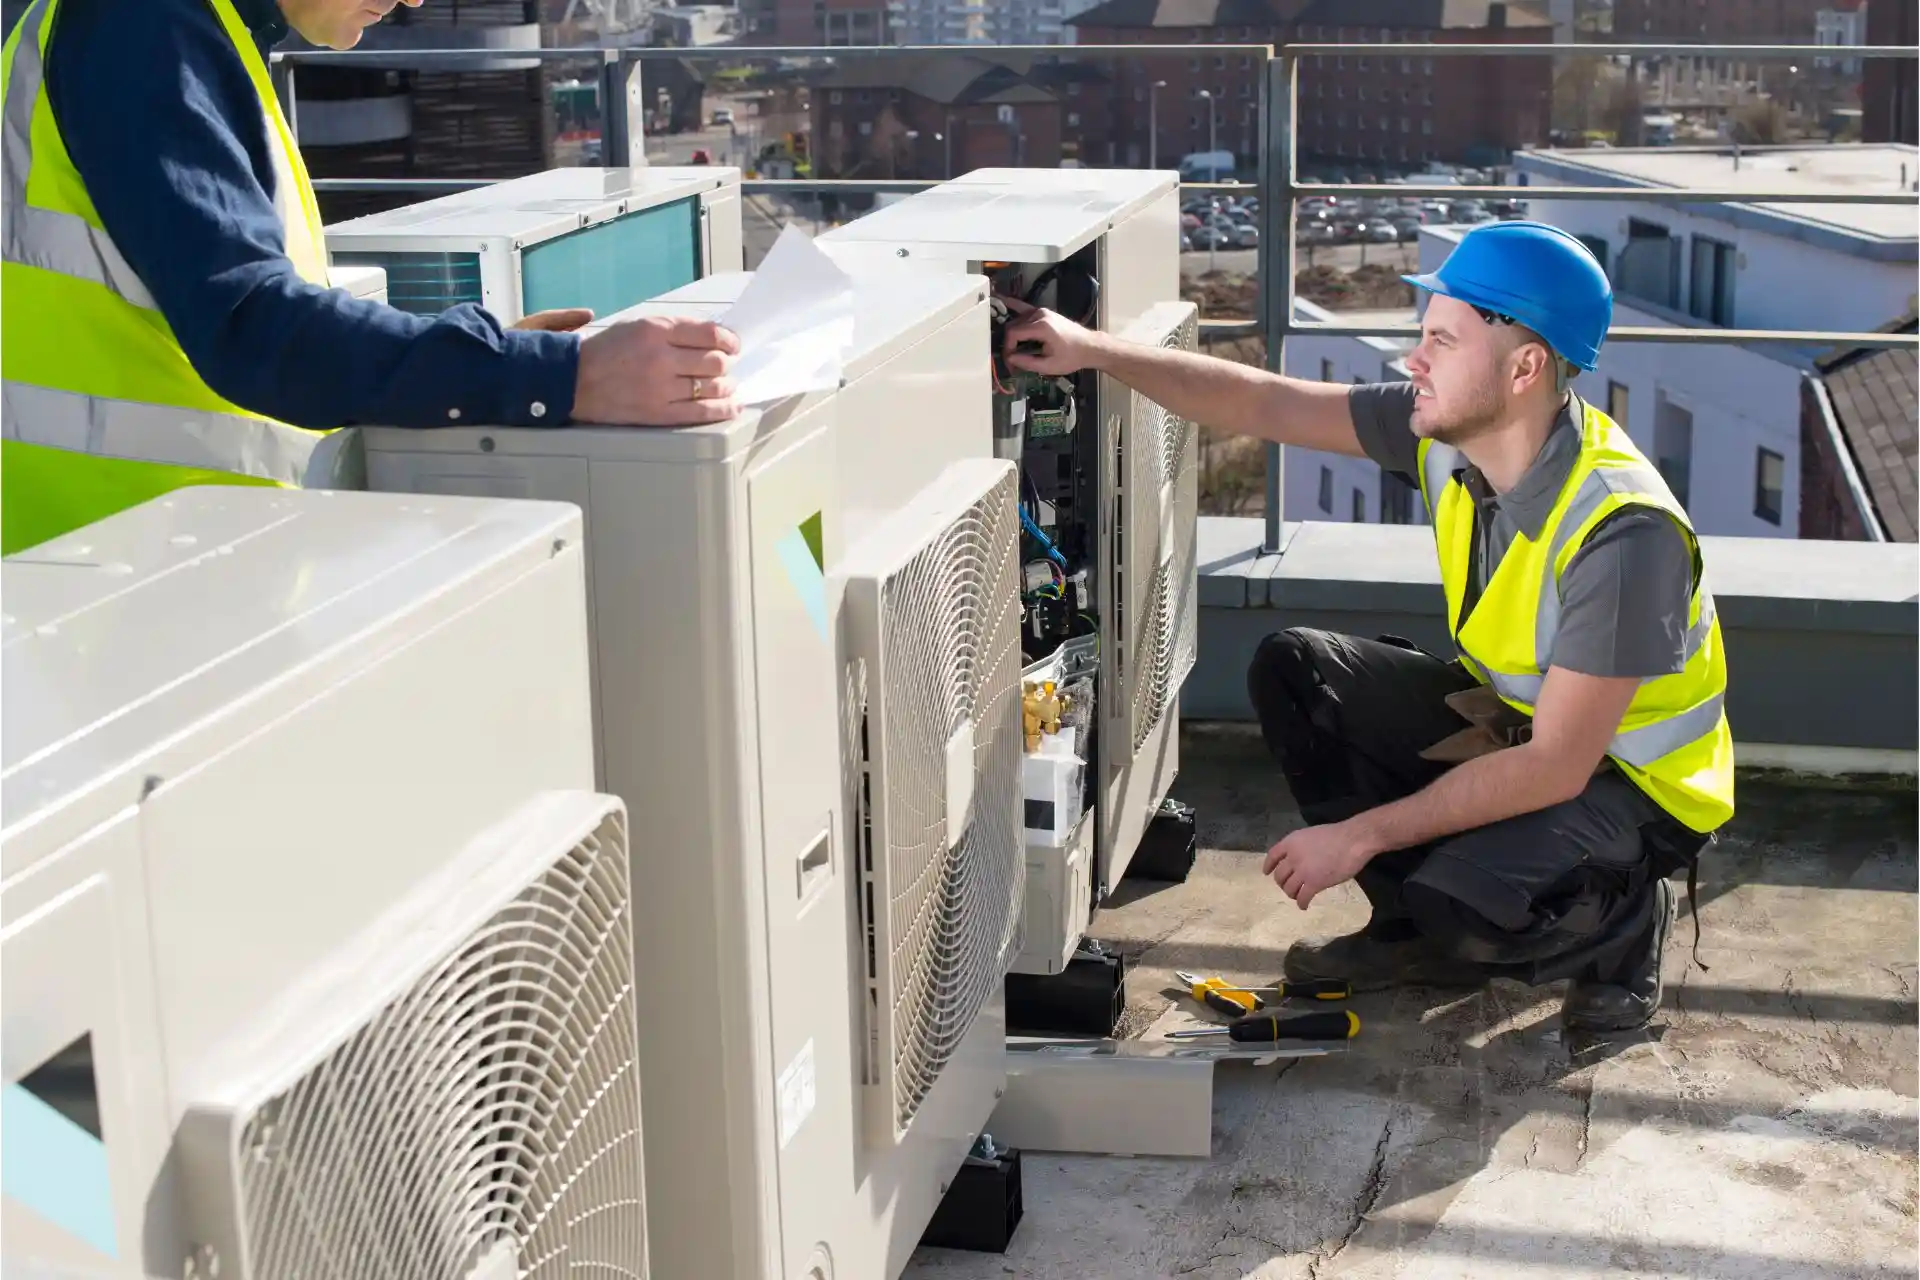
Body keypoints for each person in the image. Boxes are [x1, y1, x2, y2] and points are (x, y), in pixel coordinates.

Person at [1003, 221, 1733, 1032]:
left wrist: (1359, 835)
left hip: (1630, 786)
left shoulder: (1622, 534)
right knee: (1297, 670)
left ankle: (1624, 923)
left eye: (1441, 342)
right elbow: (1264, 402)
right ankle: (1408, 930)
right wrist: (1092, 350)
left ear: (1526, 367)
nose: (1415, 361)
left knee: (1468, 907)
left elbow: (1558, 767)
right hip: (1524, 729)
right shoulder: (1455, 436)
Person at [0, 0, 741, 556]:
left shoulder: (186, 32)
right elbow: (251, 328)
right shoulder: (143, 28)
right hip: (109, 590)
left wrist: (478, 354)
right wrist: (558, 377)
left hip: (148, 571)